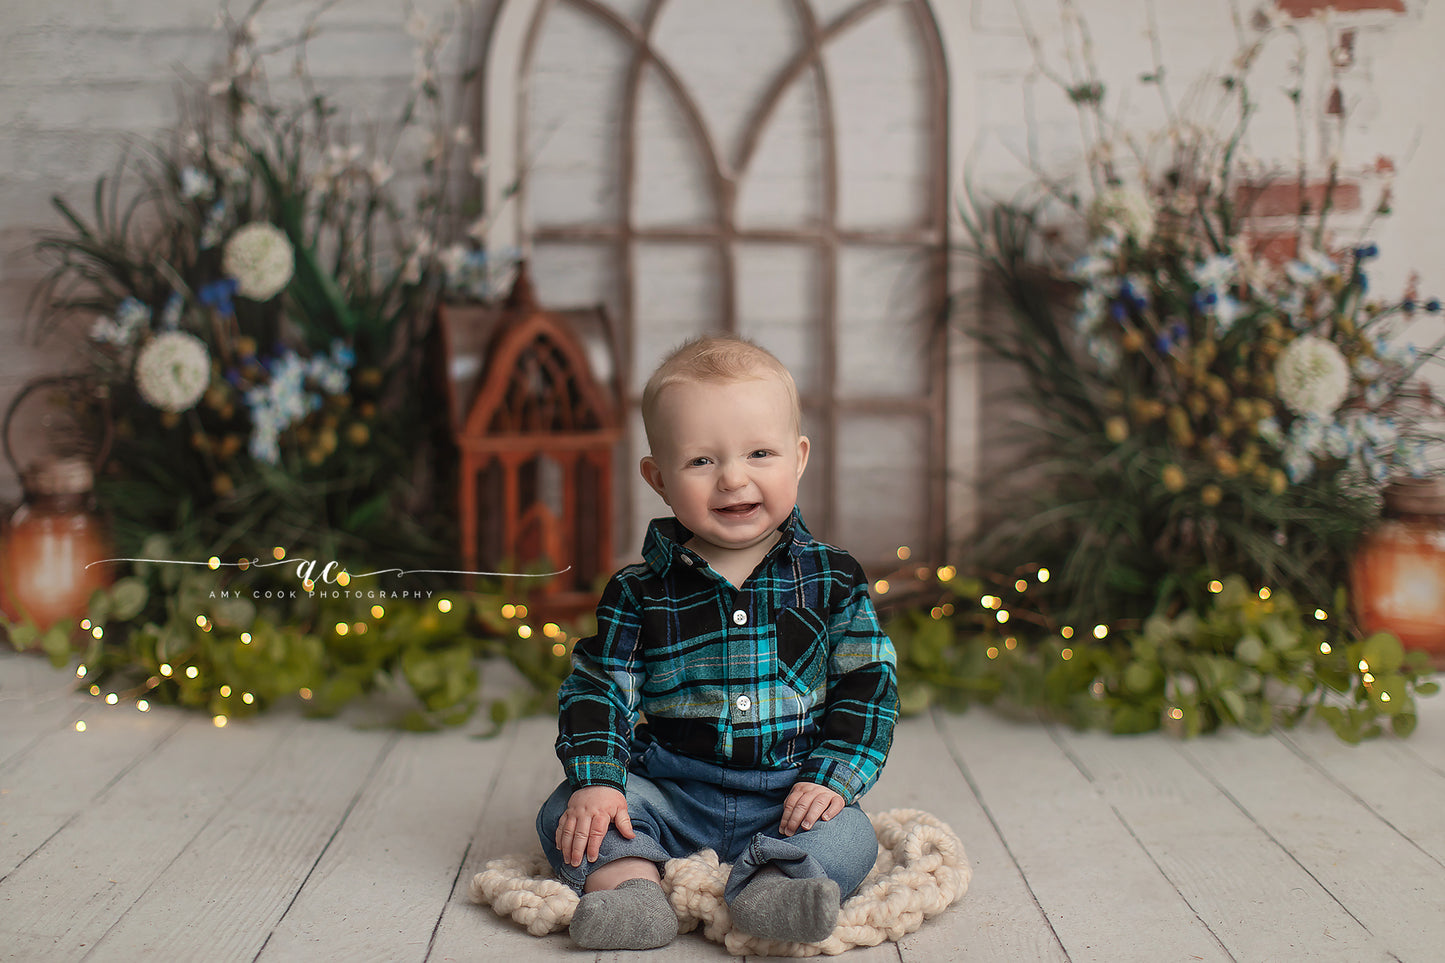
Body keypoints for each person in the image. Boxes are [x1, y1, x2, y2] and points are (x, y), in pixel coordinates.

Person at [535, 334, 898, 950]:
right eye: (702, 461)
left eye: (760, 453)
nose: (733, 478)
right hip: (672, 789)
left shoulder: (832, 578)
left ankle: (776, 887)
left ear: (798, 458)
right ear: (658, 478)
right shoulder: (638, 590)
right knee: (567, 813)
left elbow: (868, 686)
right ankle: (631, 887)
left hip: (789, 794)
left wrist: (832, 779)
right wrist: (598, 781)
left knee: (852, 837)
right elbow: (600, 688)